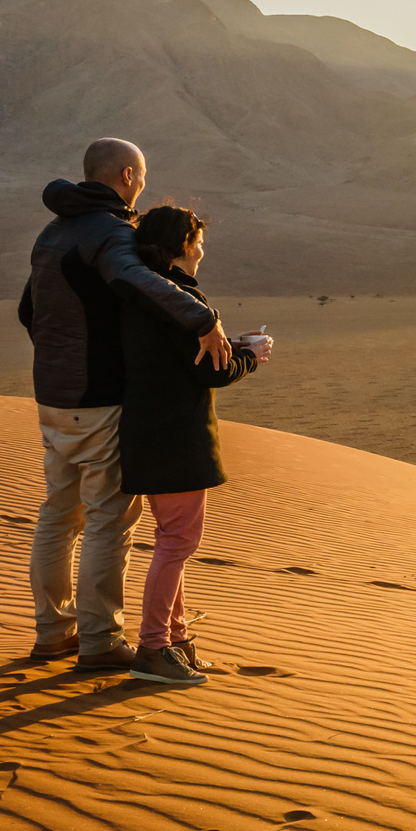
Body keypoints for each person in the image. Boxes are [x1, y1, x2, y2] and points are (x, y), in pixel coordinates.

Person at [18, 139, 232, 672]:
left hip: (52, 397)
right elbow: (134, 277)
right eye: (141, 177)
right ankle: (98, 641)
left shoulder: (54, 232)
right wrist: (203, 319)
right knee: (110, 521)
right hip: (97, 398)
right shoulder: (112, 232)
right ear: (129, 175)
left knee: (58, 514)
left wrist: (61, 355)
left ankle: (52, 633)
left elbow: (29, 311)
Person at [113, 204, 271, 685]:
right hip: (175, 436)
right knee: (179, 542)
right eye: (198, 242)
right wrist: (250, 356)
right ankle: (154, 648)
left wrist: (233, 346)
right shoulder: (179, 298)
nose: (202, 250)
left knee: (171, 539)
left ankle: (176, 640)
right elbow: (210, 370)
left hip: (149, 429)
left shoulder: (143, 293)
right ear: (182, 246)